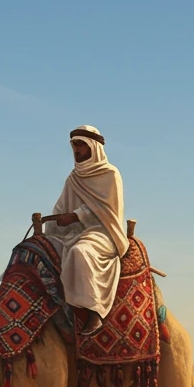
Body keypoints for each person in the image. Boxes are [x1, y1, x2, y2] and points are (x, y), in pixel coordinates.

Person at [43, 125, 128, 336]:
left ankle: (94, 313)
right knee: (38, 252)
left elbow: (109, 210)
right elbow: (60, 208)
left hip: (104, 233)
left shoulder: (110, 174)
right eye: (74, 145)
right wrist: (53, 222)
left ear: (93, 147)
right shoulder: (73, 179)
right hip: (74, 233)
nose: (77, 149)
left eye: (81, 144)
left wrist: (76, 216)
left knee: (81, 252)